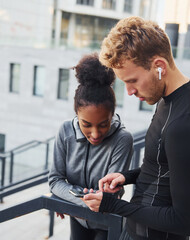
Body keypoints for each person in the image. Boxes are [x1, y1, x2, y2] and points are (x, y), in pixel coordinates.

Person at [82, 16, 190, 240]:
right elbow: (167, 168)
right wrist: (126, 176)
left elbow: (187, 222)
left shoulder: (184, 125)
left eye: (133, 80)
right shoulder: (170, 98)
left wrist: (113, 206)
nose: (129, 91)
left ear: (159, 67)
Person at [48, 53, 134, 240]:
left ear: (112, 115)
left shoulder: (122, 139)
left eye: (103, 124)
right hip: (78, 219)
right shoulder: (65, 131)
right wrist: (76, 200)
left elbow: (109, 197)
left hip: (108, 223)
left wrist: (67, 197)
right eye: (86, 124)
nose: (95, 134)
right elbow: (55, 180)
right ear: (76, 114)